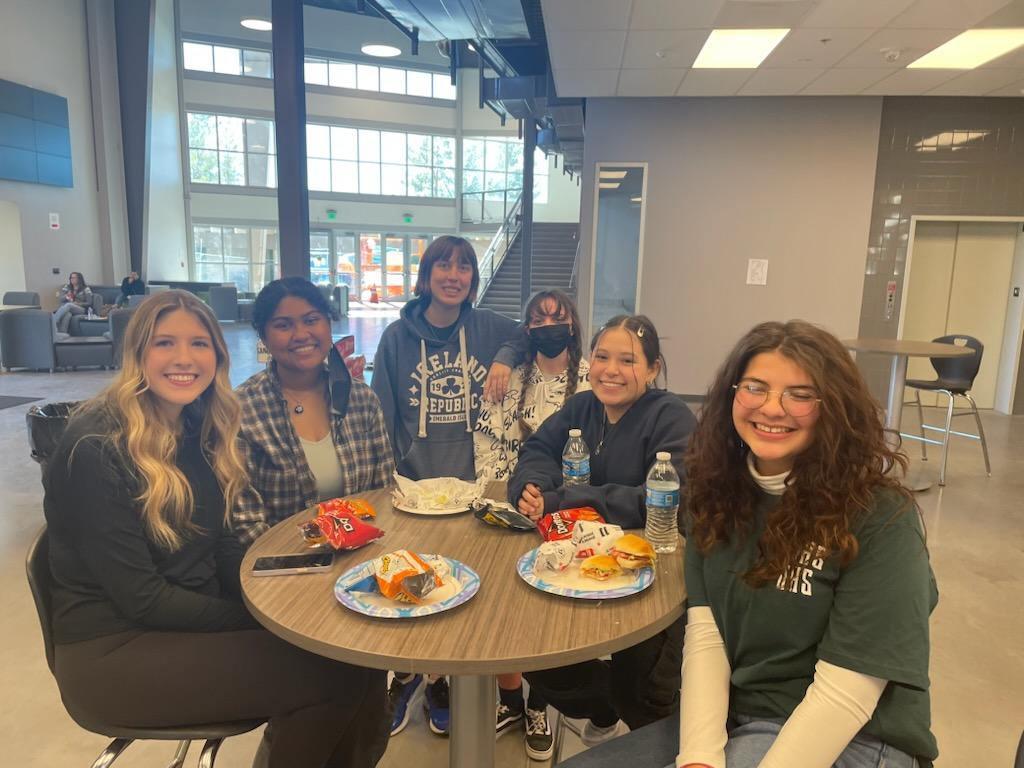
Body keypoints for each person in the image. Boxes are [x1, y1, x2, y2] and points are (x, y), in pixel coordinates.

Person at [560, 320, 939, 768]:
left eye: (800, 394)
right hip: (742, 715)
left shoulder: (880, 515)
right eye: (756, 388)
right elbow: (707, 637)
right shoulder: (715, 496)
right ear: (732, 396)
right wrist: (699, 757)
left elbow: (846, 695)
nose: (772, 408)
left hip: (857, 736)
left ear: (834, 407)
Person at [43, 290, 390, 768]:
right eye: (165, 343)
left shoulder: (195, 426)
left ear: (217, 356)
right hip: (115, 649)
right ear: (137, 352)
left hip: (185, 617)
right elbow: (142, 598)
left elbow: (224, 542)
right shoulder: (96, 447)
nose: (184, 359)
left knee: (358, 654)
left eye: (199, 344)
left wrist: (284, 595)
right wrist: (260, 617)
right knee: (332, 675)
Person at [508, 314, 697, 745]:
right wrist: (532, 486)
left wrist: (568, 499)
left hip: (650, 575)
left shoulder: (671, 417)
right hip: (578, 568)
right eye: (602, 357)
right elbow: (538, 448)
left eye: (627, 360)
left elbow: (665, 499)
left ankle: (646, 730)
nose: (611, 370)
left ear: (652, 368)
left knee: (645, 697)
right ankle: (604, 707)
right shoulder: (582, 408)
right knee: (539, 659)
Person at [370, 235, 525, 738]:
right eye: (443, 265)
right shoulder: (397, 337)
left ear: (473, 279)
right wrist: (385, 481)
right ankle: (408, 675)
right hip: (414, 487)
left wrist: (503, 357)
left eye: (463, 267)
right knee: (409, 591)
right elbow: (381, 411)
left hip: (472, 486)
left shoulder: (485, 326)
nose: (453, 275)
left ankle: (445, 680)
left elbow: (525, 333)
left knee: (460, 592)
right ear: (426, 275)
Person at [473, 289, 590, 760]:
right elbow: (488, 441)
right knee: (502, 605)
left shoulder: (589, 380)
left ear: (572, 325)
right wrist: (504, 500)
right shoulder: (508, 377)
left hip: (567, 509)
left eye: (557, 317)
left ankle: (542, 702)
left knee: (548, 611)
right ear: (527, 330)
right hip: (510, 506)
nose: (549, 326)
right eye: (539, 320)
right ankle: (510, 700)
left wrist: (556, 500)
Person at [232, 277, 395, 543]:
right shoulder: (242, 410)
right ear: (263, 337)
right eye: (283, 325)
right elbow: (245, 523)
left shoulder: (361, 400)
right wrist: (313, 552)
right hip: (282, 561)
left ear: (328, 325)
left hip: (365, 555)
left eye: (311, 320)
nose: (300, 334)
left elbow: (384, 493)